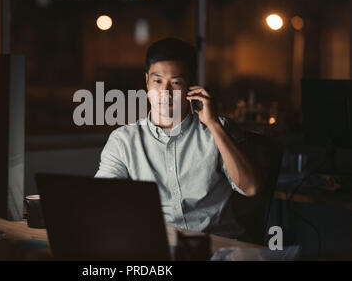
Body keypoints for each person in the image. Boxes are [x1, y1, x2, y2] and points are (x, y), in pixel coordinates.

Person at [95, 38, 260, 238]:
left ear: (192, 87)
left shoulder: (220, 129)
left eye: (176, 82)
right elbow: (102, 199)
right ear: (147, 81)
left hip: (216, 246)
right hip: (157, 246)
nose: (165, 92)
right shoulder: (123, 140)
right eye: (157, 81)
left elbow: (250, 187)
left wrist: (213, 125)